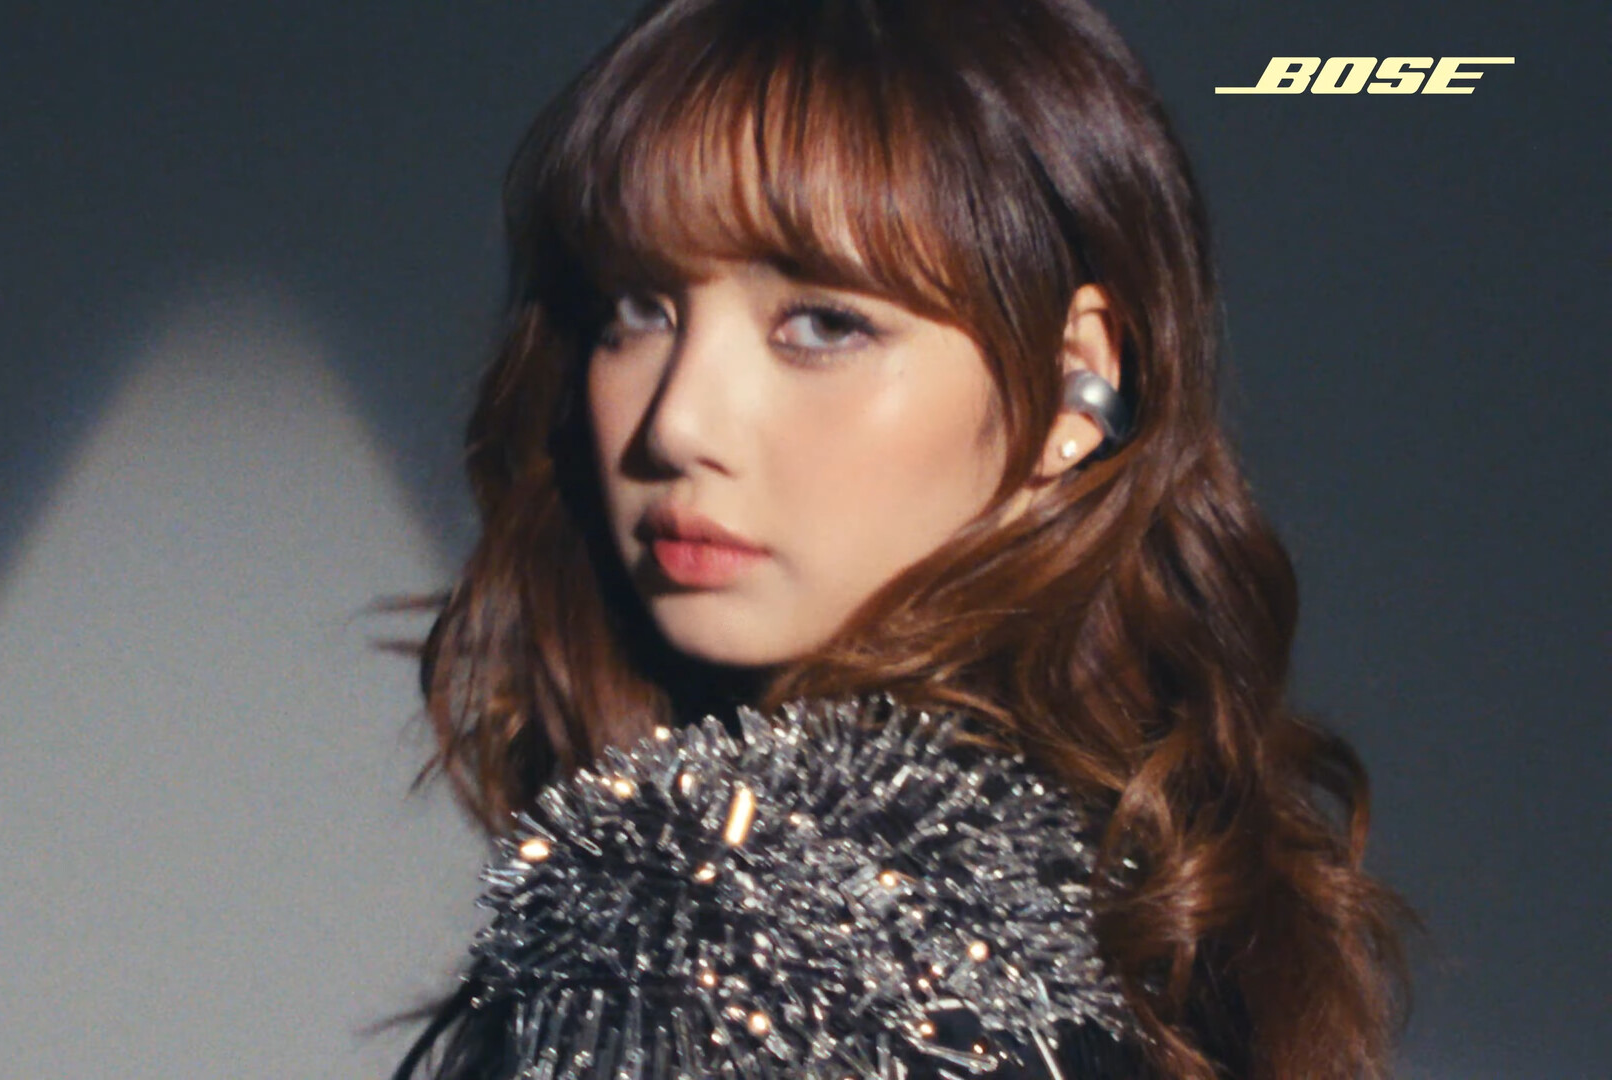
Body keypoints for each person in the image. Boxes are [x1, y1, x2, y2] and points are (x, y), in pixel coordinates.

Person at [390, 0, 1411, 1077]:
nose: (677, 423)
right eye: (639, 310)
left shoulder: (712, 926)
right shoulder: (1148, 917)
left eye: (824, 324)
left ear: (1076, 380)